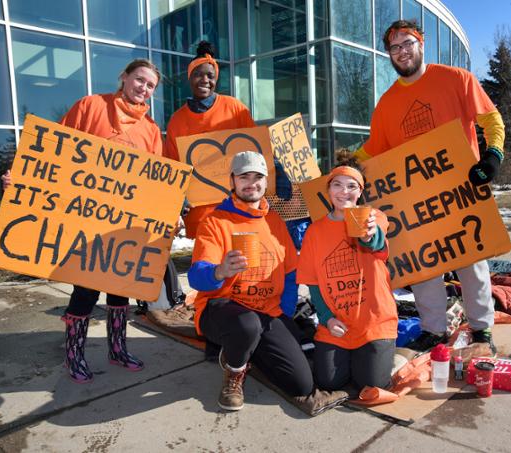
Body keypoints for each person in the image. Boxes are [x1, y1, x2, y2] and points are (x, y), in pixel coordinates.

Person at [2, 59, 163, 383]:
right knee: (86, 290)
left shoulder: (150, 132)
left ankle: (117, 349)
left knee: (121, 290)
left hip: (123, 226)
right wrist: (21, 179)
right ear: (124, 76)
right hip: (85, 222)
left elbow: (156, 185)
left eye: (150, 86)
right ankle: (73, 354)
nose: (144, 88)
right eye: (140, 79)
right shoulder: (90, 107)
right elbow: (54, 152)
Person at [354, 20, 506, 354]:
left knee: (471, 264)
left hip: (461, 191)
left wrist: (493, 154)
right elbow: (372, 149)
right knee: (423, 268)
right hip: (416, 200)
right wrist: (345, 165)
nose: (402, 51)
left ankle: (482, 331)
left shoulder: (456, 80)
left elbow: (491, 119)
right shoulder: (387, 103)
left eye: (407, 43)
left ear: (421, 45)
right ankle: (434, 330)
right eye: (394, 47)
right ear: (389, 55)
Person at [188, 151, 346, 413]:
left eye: (258, 177)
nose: (252, 183)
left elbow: (290, 273)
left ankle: (245, 350)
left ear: (266, 181)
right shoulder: (215, 221)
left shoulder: (274, 221)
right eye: (244, 177)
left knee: (301, 384)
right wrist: (219, 271)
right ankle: (234, 371)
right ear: (232, 181)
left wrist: (283, 312)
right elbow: (196, 276)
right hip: (222, 308)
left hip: (267, 311)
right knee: (246, 325)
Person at [147, 40, 256, 329]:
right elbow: (171, 166)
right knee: (208, 270)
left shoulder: (235, 109)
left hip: (237, 208)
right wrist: (175, 204)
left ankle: (243, 325)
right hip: (202, 211)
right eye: (198, 74)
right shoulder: (178, 120)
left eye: (210, 74)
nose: (204, 80)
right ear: (189, 78)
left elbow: (256, 151)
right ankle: (211, 324)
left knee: (240, 269)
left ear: (215, 77)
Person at [296, 153, 398, 391]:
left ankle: (380, 357)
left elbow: (376, 243)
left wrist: (369, 235)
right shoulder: (315, 231)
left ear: (360, 191)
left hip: (374, 321)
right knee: (328, 382)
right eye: (337, 185)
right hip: (336, 322)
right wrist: (326, 318)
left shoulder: (374, 217)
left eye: (352, 186)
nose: (344, 192)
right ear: (328, 190)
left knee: (372, 385)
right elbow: (313, 283)